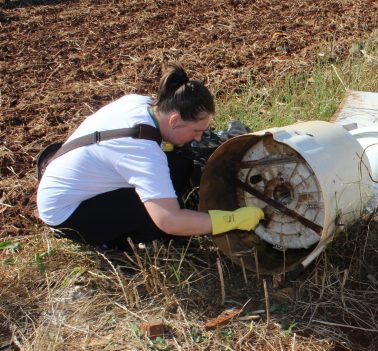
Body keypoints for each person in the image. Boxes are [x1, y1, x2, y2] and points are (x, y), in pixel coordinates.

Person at [36, 63, 263, 250]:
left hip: (70, 182)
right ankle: (115, 243)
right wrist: (232, 220)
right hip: (69, 215)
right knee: (159, 224)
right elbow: (170, 220)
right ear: (174, 120)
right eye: (196, 131)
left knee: (180, 164)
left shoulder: (141, 103)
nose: (198, 138)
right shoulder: (142, 152)